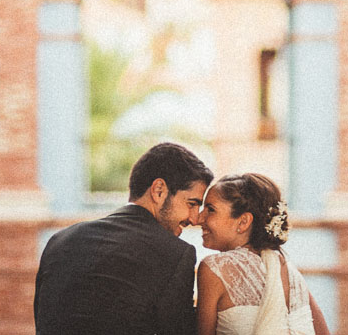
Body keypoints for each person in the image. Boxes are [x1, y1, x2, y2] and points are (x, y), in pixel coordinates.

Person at [34, 142, 214, 335]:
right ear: (159, 190)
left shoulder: (60, 240)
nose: (194, 218)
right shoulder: (175, 254)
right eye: (192, 203)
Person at [195, 173, 331, 335]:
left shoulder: (214, 269)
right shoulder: (290, 273)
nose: (199, 218)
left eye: (210, 209)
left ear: (243, 222)